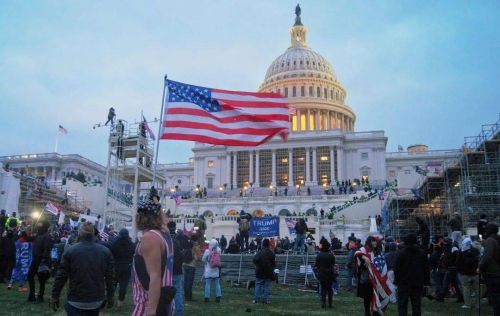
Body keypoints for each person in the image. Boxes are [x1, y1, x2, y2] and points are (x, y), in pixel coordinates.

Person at [50, 222, 115, 315]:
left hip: (76, 299)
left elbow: (61, 276)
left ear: (79, 233)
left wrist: (55, 296)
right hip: (96, 299)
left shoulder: (70, 251)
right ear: (93, 233)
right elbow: (110, 277)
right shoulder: (105, 251)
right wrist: (110, 296)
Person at [131, 200, 175, 316]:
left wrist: (151, 311)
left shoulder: (150, 237)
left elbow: (155, 276)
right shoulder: (164, 234)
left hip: (148, 304)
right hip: (164, 301)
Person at [355, 236, 392, 316]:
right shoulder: (363, 250)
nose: (375, 243)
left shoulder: (378, 252)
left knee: (377, 298)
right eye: (373, 241)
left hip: (377, 280)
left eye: (376, 241)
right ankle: (368, 312)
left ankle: (375, 312)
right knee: (367, 299)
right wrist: (364, 258)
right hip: (367, 279)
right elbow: (357, 254)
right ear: (369, 242)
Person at [394, 233, 428, 316]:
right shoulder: (421, 253)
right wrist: (426, 282)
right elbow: (426, 268)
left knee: (402, 305)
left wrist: (397, 281)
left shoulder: (401, 253)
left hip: (404, 282)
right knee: (416, 305)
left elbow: (397, 269)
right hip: (417, 282)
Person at [27, 220, 53, 303]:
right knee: (30, 276)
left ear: (44, 227)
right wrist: (25, 231)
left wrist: (43, 260)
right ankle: (32, 295)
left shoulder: (47, 236)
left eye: (40, 225)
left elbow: (47, 249)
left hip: (42, 260)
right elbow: (28, 239)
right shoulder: (38, 235)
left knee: (41, 280)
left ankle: (40, 297)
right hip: (35, 259)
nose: (38, 227)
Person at [109, 228, 135, 308]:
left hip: (116, 266)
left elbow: (110, 253)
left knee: (113, 284)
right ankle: (120, 302)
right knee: (123, 285)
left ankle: (110, 300)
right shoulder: (131, 244)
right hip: (127, 266)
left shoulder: (114, 243)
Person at [478, 223, 500, 315]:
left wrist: (480, 266)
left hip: (492, 272)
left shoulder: (490, 240)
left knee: (495, 296)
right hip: (498, 270)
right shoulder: (497, 239)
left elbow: (487, 257)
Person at [167, 221, 185, 316]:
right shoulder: (178, 240)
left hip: (168, 271)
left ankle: (170, 311)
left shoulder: (166, 241)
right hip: (177, 270)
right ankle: (179, 312)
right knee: (178, 292)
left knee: (167, 292)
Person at [456, 237, 480, 309]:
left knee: (466, 289)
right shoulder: (476, 251)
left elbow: (457, 262)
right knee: (476, 290)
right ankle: (477, 305)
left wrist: (460, 271)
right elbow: (479, 261)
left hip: (464, 274)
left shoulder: (461, 251)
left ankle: (467, 304)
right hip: (475, 273)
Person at [252, 238, 275, 304]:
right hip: (268, 272)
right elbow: (273, 263)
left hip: (259, 271)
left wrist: (257, 265)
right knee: (266, 286)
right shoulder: (271, 253)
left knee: (258, 285)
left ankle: (256, 299)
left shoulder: (260, 252)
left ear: (262, 244)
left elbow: (254, 260)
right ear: (268, 244)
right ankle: (265, 300)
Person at [315, 238, 335, 308]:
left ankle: (323, 303)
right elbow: (333, 264)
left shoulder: (319, 254)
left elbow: (316, 264)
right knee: (329, 288)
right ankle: (330, 303)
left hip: (322, 273)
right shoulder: (331, 254)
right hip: (330, 273)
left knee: (323, 288)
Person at [183, 234, 200, 301]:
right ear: (196, 240)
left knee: (185, 281)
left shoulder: (187, 245)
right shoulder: (196, 247)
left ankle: (185, 295)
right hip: (192, 266)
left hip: (185, 264)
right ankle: (189, 296)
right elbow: (197, 258)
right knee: (190, 282)